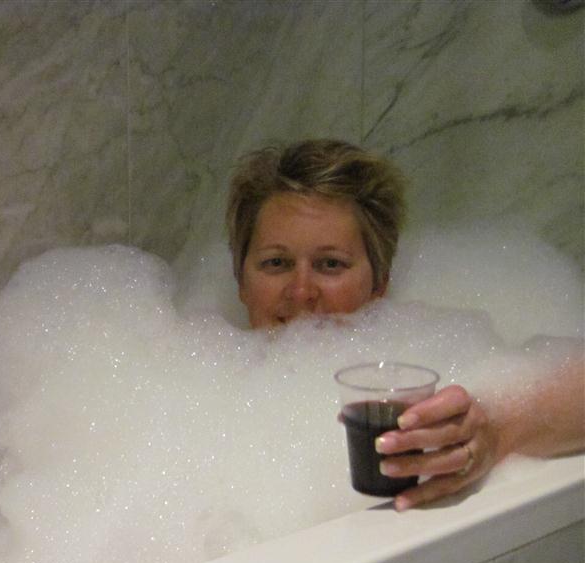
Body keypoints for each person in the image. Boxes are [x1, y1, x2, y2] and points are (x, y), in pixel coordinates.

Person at [226, 138, 584, 511]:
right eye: (276, 263)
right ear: (240, 281)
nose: (301, 291)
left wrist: (496, 428)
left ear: (379, 284)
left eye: (330, 264)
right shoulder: (202, 388)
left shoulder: (417, 368)